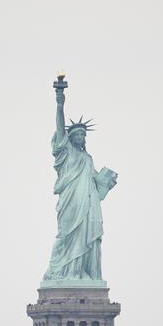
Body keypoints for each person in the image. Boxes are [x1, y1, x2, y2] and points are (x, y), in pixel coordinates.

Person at [43, 82, 117, 282]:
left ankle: (78, 272)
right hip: (70, 200)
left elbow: (96, 184)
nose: (81, 137)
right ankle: (61, 271)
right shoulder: (66, 153)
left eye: (83, 134)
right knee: (67, 234)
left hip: (87, 203)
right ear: (70, 137)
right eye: (77, 134)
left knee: (84, 236)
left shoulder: (87, 159)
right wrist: (60, 103)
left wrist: (106, 181)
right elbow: (60, 128)